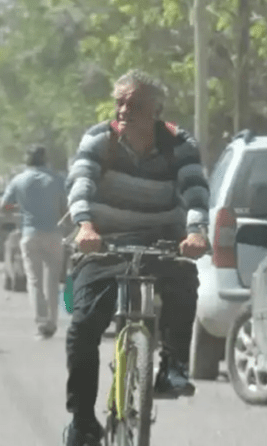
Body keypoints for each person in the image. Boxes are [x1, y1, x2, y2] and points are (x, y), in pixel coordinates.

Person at [62, 70, 209, 446]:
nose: (124, 110)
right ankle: (82, 421)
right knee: (83, 327)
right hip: (104, 243)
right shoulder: (100, 138)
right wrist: (85, 226)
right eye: (120, 103)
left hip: (162, 242)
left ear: (156, 111)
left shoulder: (179, 143)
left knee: (184, 282)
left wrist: (196, 232)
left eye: (136, 104)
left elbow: (195, 191)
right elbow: (81, 183)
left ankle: (173, 365)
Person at [0, 144, 67, 339]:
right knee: (52, 281)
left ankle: (41, 322)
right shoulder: (57, 179)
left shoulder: (19, 180)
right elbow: (66, 208)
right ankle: (52, 322)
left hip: (30, 234)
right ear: (45, 159)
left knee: (35, 281)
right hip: (54, 234)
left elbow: (4, 206)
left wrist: (20, 210)